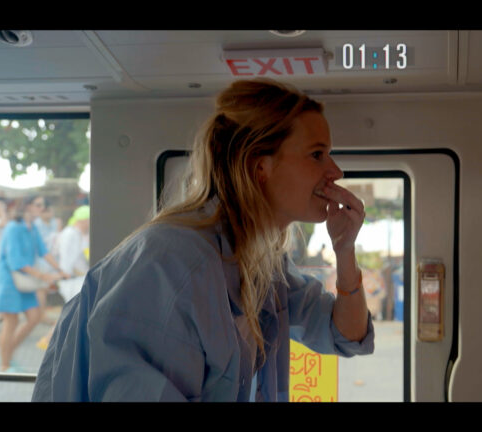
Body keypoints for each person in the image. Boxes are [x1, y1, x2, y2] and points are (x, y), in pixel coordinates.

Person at [32, 78, 374, 401]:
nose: (335, 171)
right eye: (317, 154)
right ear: (259, 167)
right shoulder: (173, 264)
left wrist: (344, 251)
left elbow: (346, 334)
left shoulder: (261, 263)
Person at [0, 195, 69, 372]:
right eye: (38, 205)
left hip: (25, 279)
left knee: (34, 317)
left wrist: (60, 269)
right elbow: (15, 261)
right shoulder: (13, 228)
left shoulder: (31, 227)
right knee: (10, 321)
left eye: (43, 205)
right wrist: (44, 276)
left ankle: (7, 354)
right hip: (9, 280)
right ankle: (5, 365)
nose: (42, 208)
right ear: (27, 206)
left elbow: (43, 251)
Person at [36, 205, 90, 350]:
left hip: (74, 278)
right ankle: (49, 341)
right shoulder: (70, 234)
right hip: (71, 280)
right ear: (83, 220)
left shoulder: (75, 234)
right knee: (72, 312)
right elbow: (67, 260)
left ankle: (49, 341)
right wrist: (66, 274)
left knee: (71, 312)